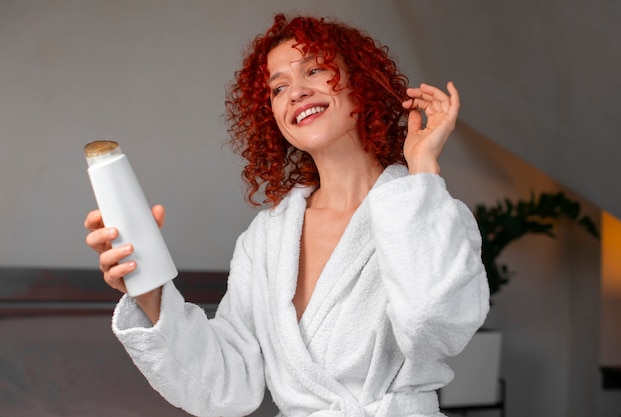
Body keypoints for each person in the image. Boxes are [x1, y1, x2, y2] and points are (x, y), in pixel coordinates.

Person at [84, 13, 489, 417]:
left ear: (360, 83)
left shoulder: (434, 215)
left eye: (313, 70)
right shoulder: (266, 240)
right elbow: (229, 385)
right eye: (278, 88)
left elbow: (435, 326)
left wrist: (421, 170)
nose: (295, 92)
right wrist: (149, 293)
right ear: (273, 119)